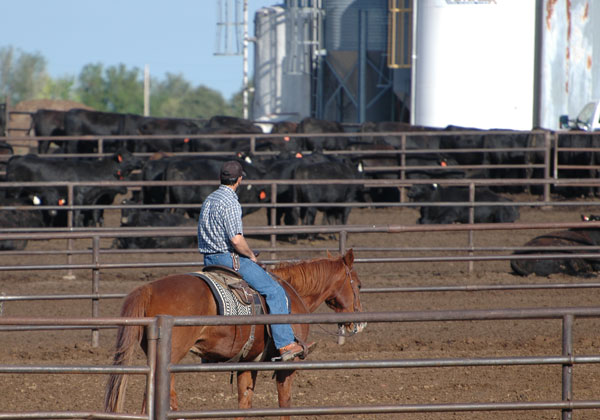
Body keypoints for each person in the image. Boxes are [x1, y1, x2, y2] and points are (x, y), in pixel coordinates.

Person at [197, 160, 313, 361]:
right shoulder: (230, 201)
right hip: (227, 258)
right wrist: (250, 255)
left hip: (209, 259)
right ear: (240, 179)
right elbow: (236, 239)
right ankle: (285, 345)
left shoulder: (210, 199)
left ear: (221, 178)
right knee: (275, 291)